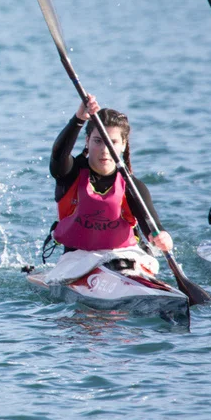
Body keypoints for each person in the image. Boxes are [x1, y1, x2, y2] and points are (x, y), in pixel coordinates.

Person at [42, 95, 172, 281]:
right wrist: (79, 119)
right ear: (87, 141)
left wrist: (162, 237)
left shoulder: (132, 186)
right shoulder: (69, 175)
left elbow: (152, 226)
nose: (104, 149)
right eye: (98, 141)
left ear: (123, 144)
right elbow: (58, 155)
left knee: (122, 263)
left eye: (112, 142)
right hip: (77, 258)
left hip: (125, 256)